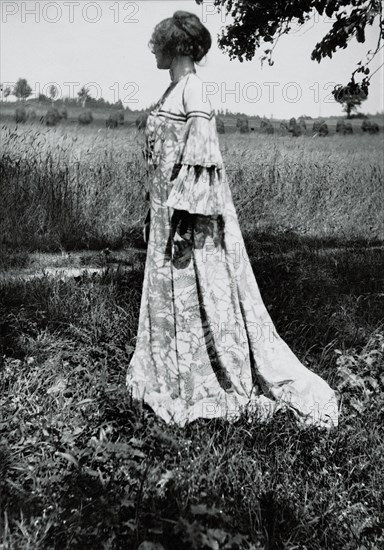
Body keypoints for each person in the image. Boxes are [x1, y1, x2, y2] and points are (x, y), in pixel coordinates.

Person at [126, 10, 339, 429]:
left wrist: (185, 221)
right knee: (171, 298)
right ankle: (169, 374)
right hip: (167, 214)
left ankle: (207, 379)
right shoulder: (172, 92)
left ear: (177, 47)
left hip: (190, 221)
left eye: (160, 45)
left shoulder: (194, 93)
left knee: (203, 295)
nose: (154, 52)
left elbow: (204, 162)